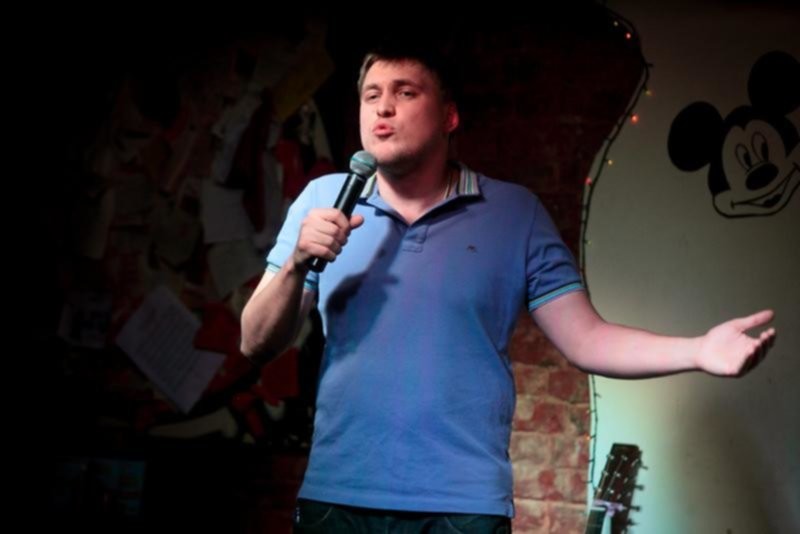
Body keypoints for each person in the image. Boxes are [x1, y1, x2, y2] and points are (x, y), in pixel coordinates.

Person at [240, 45, 776, 533]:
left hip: (462, 508)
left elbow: (587, 339)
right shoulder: (323, 199)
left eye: (405, 93)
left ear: (449, 116)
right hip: (337, 499)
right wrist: (296, 264)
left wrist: (698, 350)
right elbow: (254, 341)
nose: (383, 108)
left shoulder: (514, 213)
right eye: (372, 95)